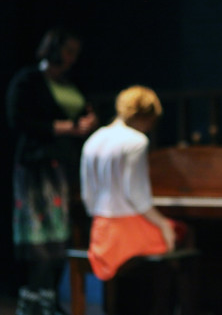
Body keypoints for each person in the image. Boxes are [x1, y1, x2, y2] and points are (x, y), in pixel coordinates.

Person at [6, 27, 98, 315]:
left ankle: (49, 299)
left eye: (75, 53)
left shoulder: (69, 84)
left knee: (61, 233)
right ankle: (34, 298)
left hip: (65, 165)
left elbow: (82, 112)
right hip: (37, 165)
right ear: (54, 48)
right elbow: (18, 119)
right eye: (68, 51)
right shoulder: (29, 79)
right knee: (39, 232)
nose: (71, 58)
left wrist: (87, 122)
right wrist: (65, 127)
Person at [80, 85, 178, 281]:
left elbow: (87, 195)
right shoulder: (136, 141)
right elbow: (135, 194)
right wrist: (164, 225)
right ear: (145, 117)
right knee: (179, 231)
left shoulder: (93, 139)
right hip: (125, 233)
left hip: (101, 232)